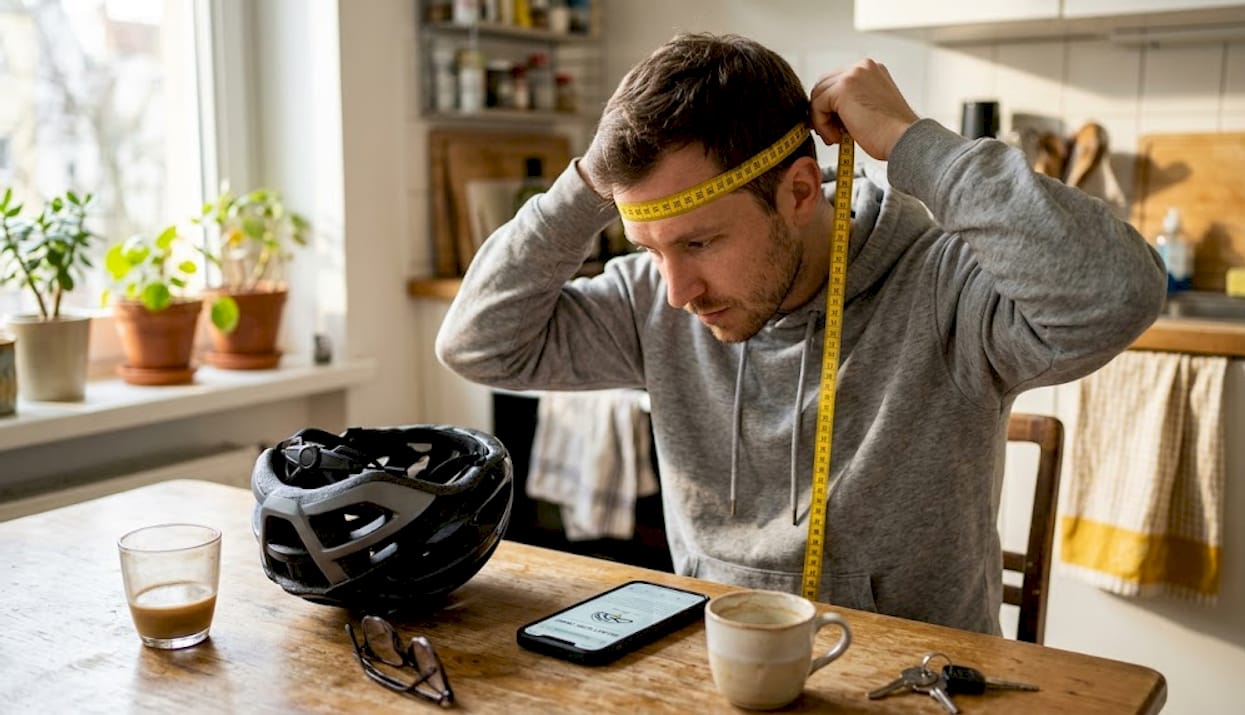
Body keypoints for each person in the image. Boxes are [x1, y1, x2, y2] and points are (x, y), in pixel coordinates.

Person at [436, 32, 1165, 635]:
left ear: (798, 191)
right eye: (647, 248)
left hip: (908, 684)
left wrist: (915, 144)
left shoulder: (944, 290)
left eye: (698, 243)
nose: (677, 292)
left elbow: (1118, 292)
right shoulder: (653, 301)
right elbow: (479, 343)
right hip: (709, 662)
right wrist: (586, 186)